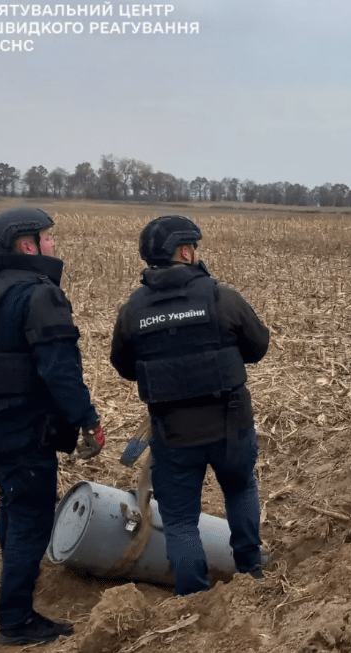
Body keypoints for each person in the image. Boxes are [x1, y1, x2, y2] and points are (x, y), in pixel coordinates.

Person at [0, 207, 106, 646]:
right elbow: (60, 370)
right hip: (24, 427)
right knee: (32, 518)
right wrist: (87, 420)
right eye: (47, 237)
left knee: (14, 504)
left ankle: (16, 583)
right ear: (26, 245)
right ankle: (16, 620)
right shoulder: (39, 294)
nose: (53, 244)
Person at [109, 215, 270, 595]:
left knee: (181, 521)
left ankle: (193, 598)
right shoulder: (222, 297)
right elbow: (258, 346)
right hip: (231, 425)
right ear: (186, 251)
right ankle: (251, 574)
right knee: (240, 489)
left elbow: (124, 366)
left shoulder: (133, 310)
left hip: (173, 434)